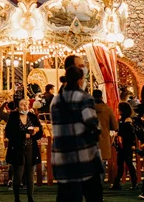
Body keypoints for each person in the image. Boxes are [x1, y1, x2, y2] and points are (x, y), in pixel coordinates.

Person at [50, 65, 103, 202]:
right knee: (93, 195)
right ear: (80, 80)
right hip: (83, 155)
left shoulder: (56, 100)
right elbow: (92, 124)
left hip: (61, 156)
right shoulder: (84, 98)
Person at [5, 99, 43, 202]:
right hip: (18, 148)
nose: (25, 106)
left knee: (30, 174)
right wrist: (23, 135)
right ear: (17, 107)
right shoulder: (13, 117)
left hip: (31, 147)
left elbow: (40, 130)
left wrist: (36, 132)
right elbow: (8, 133)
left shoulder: (32, 117)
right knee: (18, 173)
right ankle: (17, 198)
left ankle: (30, 197)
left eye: (27, 104)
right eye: (22, 104)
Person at [111, 102, 137, 191]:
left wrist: (132, 144)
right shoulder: (122, 119)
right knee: (120, 164)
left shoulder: (128, 120)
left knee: (129, 164)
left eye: (119, 108)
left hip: (127, 144)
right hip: (122, 145)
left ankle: (134, 182)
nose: (118, 110)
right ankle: (116, 183)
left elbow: (131, 134)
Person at [92, 89, 118, 179]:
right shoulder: (108, 109)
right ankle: (100, 182)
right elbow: (115, 126)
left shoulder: (88, 110)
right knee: (102, 162)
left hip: (90, 140)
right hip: (103, 139)